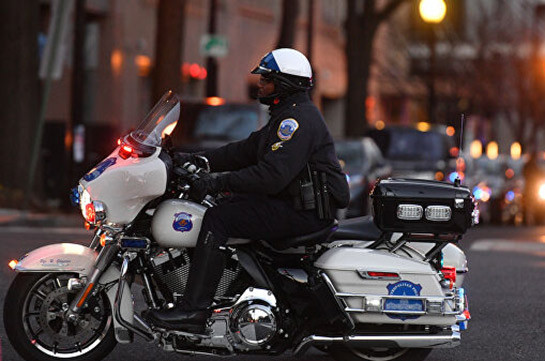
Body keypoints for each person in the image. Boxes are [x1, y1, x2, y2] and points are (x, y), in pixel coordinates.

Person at [147, 48, 350, 332]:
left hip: (303, 212)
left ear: (285, 83)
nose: (261, 84)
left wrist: (217, 181)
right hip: (293, 205)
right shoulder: (287, 115)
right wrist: (198, 160)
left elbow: (272, 177)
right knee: (222, 206)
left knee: (219, 218)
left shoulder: (297, 121)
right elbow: (245, 150)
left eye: (267, 79)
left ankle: (194, 310)